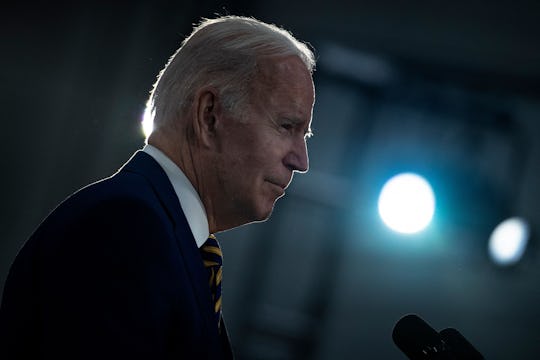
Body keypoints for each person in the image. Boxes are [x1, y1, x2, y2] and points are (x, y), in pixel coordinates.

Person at [0, 15, 316, 359]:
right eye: (287, 126)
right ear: (209, 115)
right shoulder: (124, 228)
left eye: (306, 135)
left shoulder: (160, 235)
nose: (301, 161)